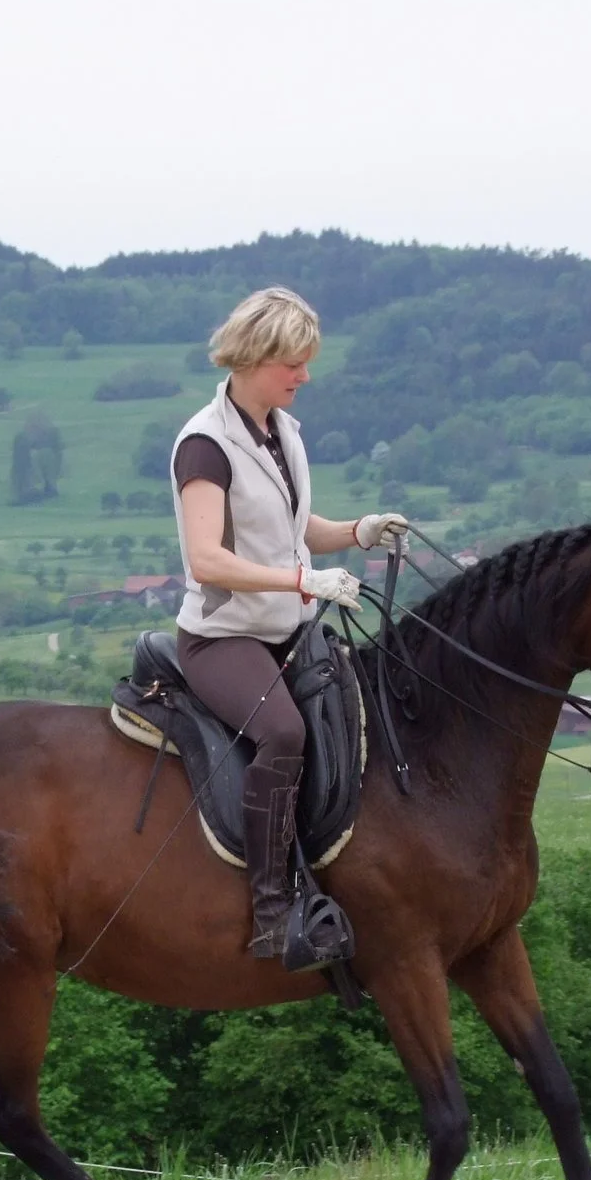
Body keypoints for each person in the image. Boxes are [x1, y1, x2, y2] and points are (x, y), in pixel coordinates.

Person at [170, 287, 407, 959]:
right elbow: (208, 559)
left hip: (287, 628)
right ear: (254, 357)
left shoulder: (281, 431)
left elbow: (294, 529)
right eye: (294, 363)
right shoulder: (205, 446)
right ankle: (272, 908)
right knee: (282, 731)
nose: (305, 375)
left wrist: (359, 530)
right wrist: (304, 580)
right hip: (224, 637)